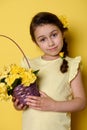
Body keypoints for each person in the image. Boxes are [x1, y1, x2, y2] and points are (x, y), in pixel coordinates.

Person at [13, 12, 87, 130]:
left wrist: (53, 105)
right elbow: (24, 98)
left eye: (54, 35)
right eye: (43, 39)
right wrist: (18, 104)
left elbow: (81, 102)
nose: (51, 43)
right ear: (35, 42)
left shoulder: (72, 65)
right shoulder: (28, 65)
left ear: (62, 32)